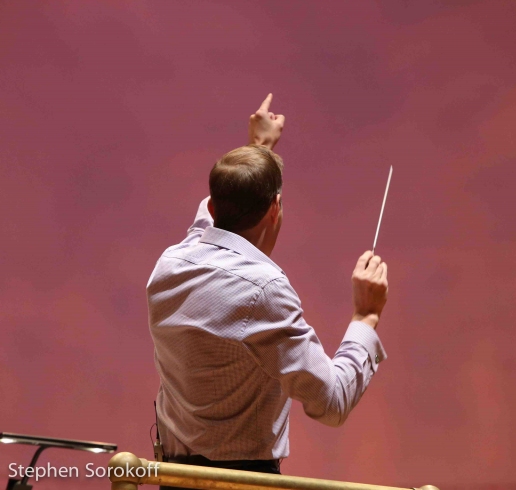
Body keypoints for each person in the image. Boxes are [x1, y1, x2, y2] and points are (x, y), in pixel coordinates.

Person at [147, 94, 389, 477]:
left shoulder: (170, 262)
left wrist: (257, 151)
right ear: (275, 209)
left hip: (174, 478)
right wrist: (366, 315)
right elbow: (332, 401)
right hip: (243, 483)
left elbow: (211, 216)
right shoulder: (263, 290)